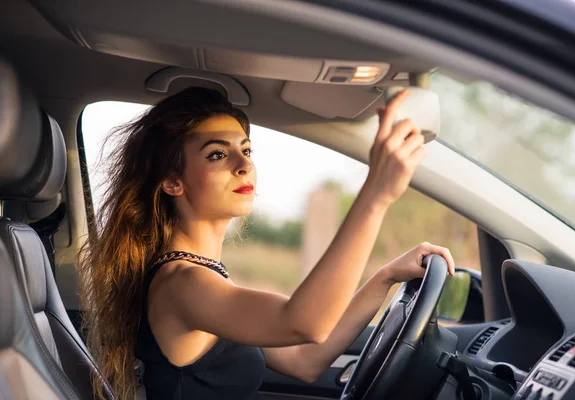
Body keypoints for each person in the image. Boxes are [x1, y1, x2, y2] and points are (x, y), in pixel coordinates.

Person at [77, 86, 455, 400]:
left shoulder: (199, 277)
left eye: (246, 149)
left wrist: (385, 277)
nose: (243, 164)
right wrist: (376, 195)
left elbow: (305, 360)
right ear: (173, 182)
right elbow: (304, 324)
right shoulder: (182, 284)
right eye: (217, 154)